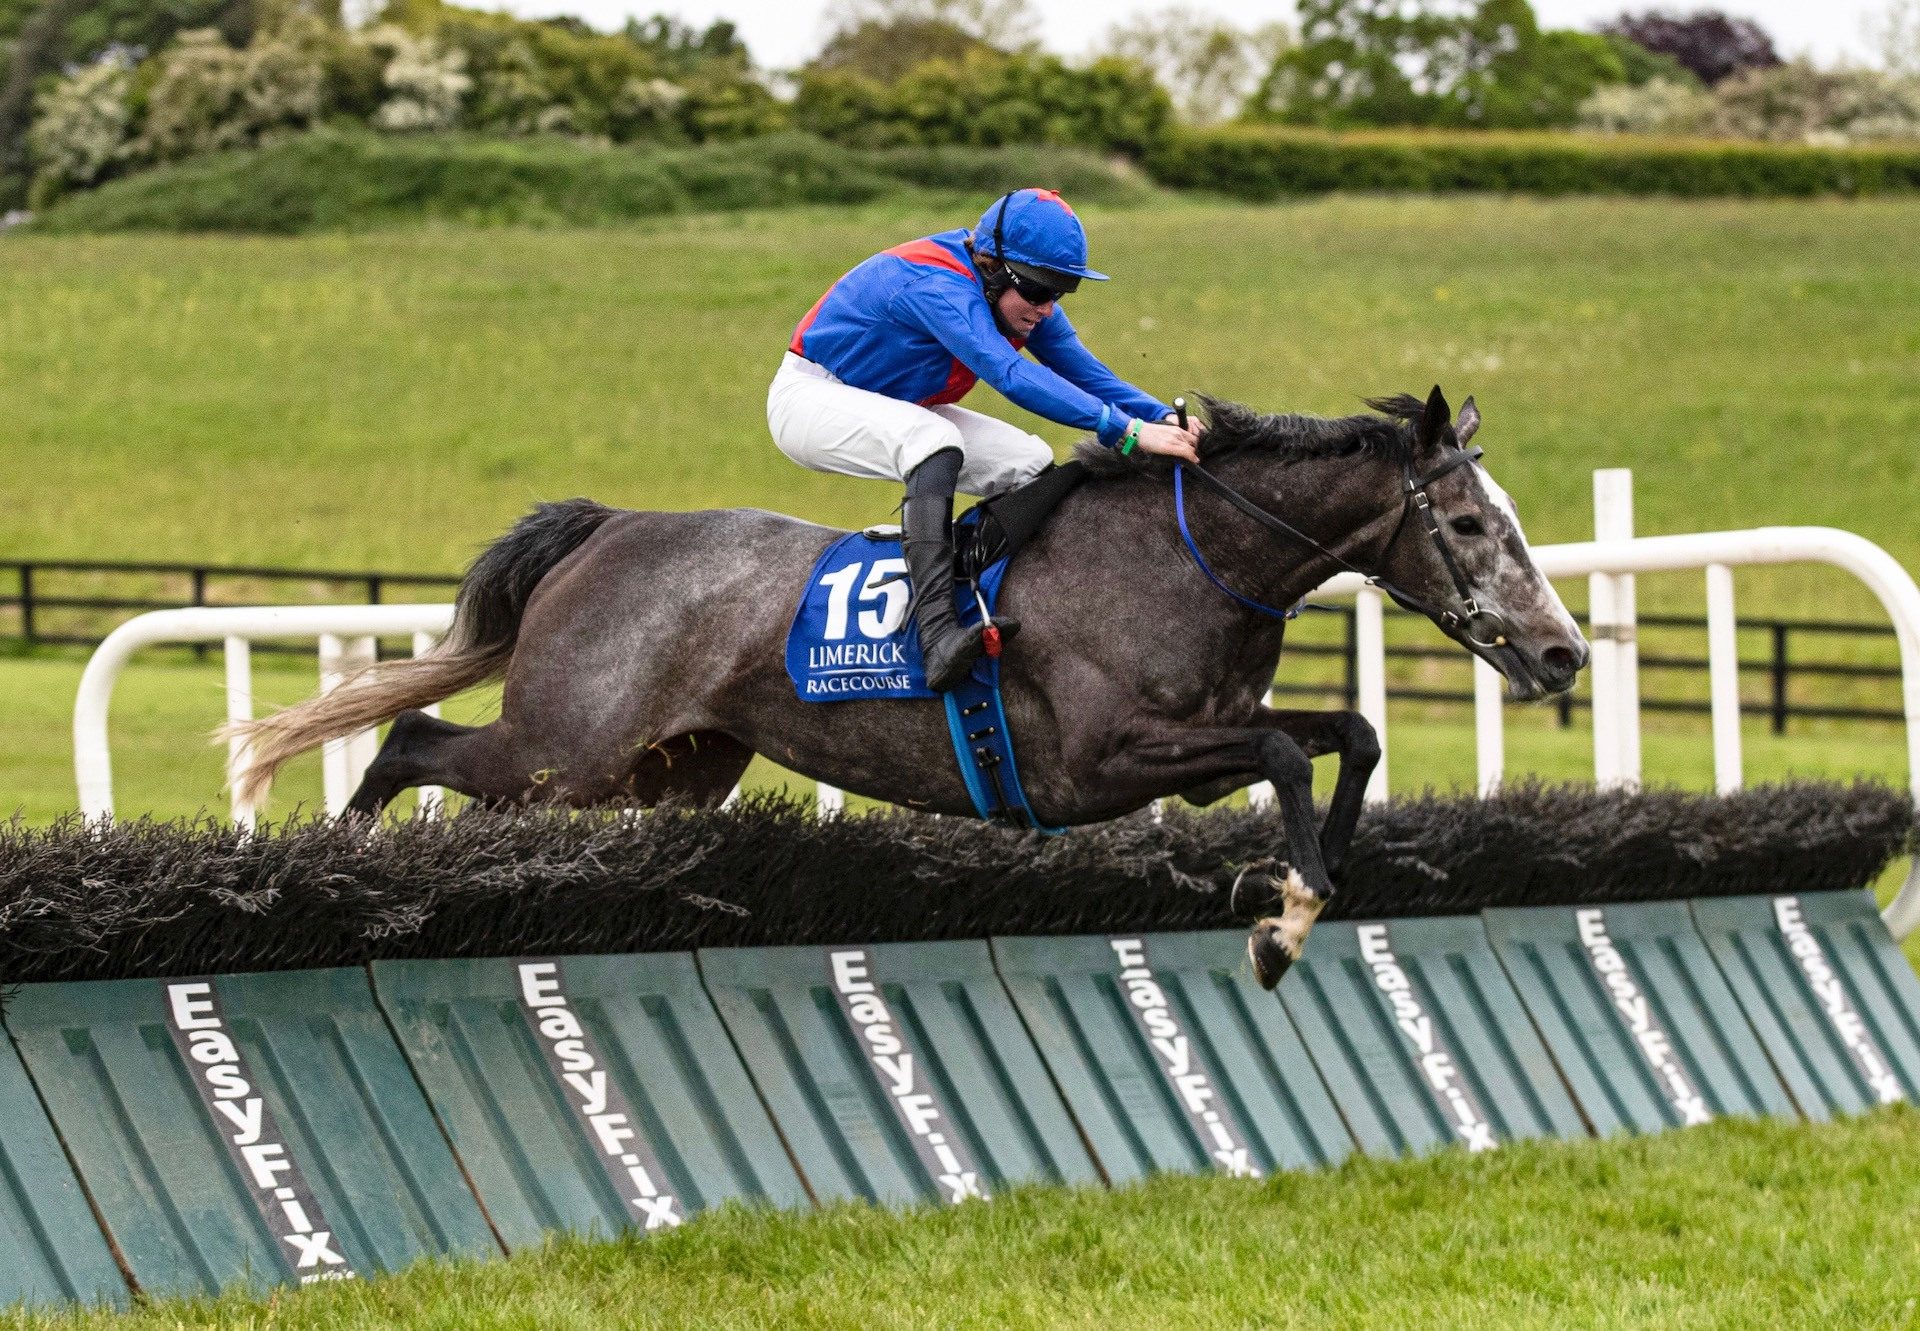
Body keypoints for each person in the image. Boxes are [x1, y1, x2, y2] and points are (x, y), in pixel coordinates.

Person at [769, 187, 1202, 691]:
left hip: (897, 405)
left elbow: (1086, 372)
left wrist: (1161, 417)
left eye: (1061, 293)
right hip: (809, 399)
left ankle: (969, 590)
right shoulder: (935, 284)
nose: (1047, 308)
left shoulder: (1012, 292)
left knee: (1029, 461)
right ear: (992, 266)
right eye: (1040, 291)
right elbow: (1010, 374)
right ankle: (935, 636)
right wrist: (1127, 434)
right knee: (933, 437)